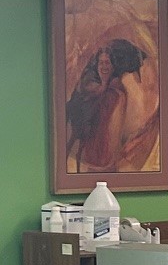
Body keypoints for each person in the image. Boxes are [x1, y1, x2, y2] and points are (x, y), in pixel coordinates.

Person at [66, 37, 158, 174]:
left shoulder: (116, 94)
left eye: (107, 63)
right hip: (91, 147)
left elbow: (114, 133)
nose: (104, 66)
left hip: (105, 155)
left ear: (113, 66)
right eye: (101, 63)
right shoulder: (91, 86)